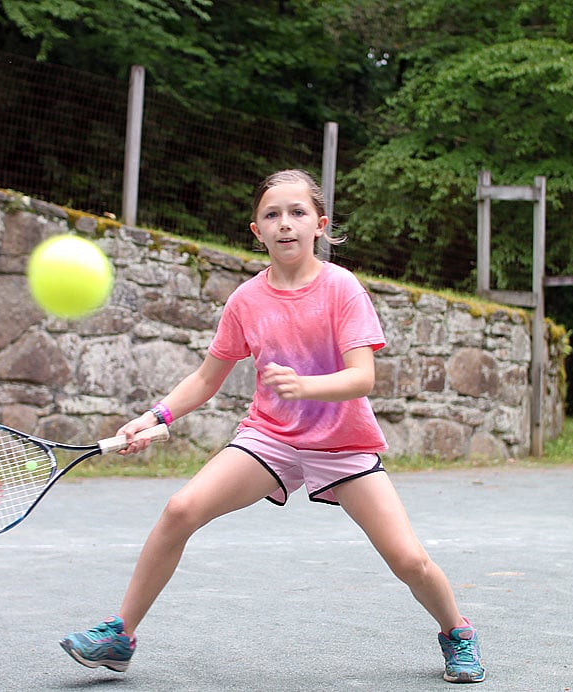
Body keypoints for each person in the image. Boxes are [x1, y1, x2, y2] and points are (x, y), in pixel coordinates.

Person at [60, 169, 485, 684]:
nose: (286, 224)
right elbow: (205, 378)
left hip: (342, 444)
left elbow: (362, 377)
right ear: (256, 230)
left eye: (297, 213)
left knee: (410, 561)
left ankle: (457, 632)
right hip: (271, 438)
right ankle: (119, 636)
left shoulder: (341, 288)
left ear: (320, 225)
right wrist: (153, 418)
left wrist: (305, 386)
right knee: (180, 509)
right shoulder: (246, 301)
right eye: (272, 215)